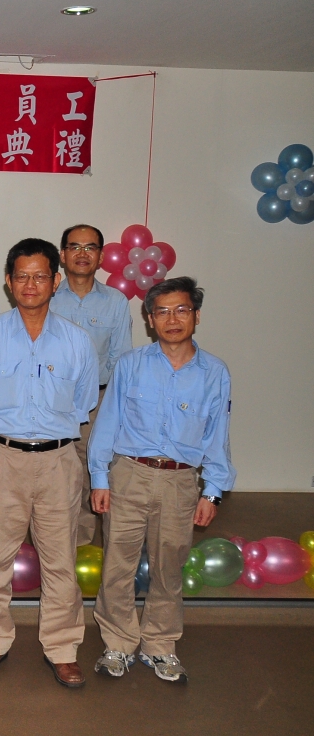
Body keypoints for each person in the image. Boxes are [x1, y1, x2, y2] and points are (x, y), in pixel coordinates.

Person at [0, 238, 98, 688]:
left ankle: (62, 648)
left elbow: (83, 403)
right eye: (22, 276)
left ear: (56, 281)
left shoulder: (77, 341)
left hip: (58, 461)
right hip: (0, 458)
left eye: (40, 276)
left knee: (60, 561)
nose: (31, 284)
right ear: (8, 281)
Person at [89, 277, 234, 684]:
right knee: (118, 564)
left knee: (169, 567)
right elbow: (107, 423)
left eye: (182, 310)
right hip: (129, 475)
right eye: (163, 312)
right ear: (150, 319)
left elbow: (218, 436)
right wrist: (99, 477)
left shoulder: (215, 372)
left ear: (196, 316)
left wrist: (213, 491)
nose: (173, 319)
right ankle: (118, 642)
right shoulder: (131, 364)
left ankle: (160, 644)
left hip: (180, 482)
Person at [50, 224, 133, 547]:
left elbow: (120, 359)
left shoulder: (115, 301)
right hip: (52, 402)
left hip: (97, 403)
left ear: (100, 256)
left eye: (90, 247)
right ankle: (50, 545)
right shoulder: (47, 296)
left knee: (89, 474)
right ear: (62, 255)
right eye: (75, 247)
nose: (82, 254)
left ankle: (80, 547)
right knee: (51, 477)